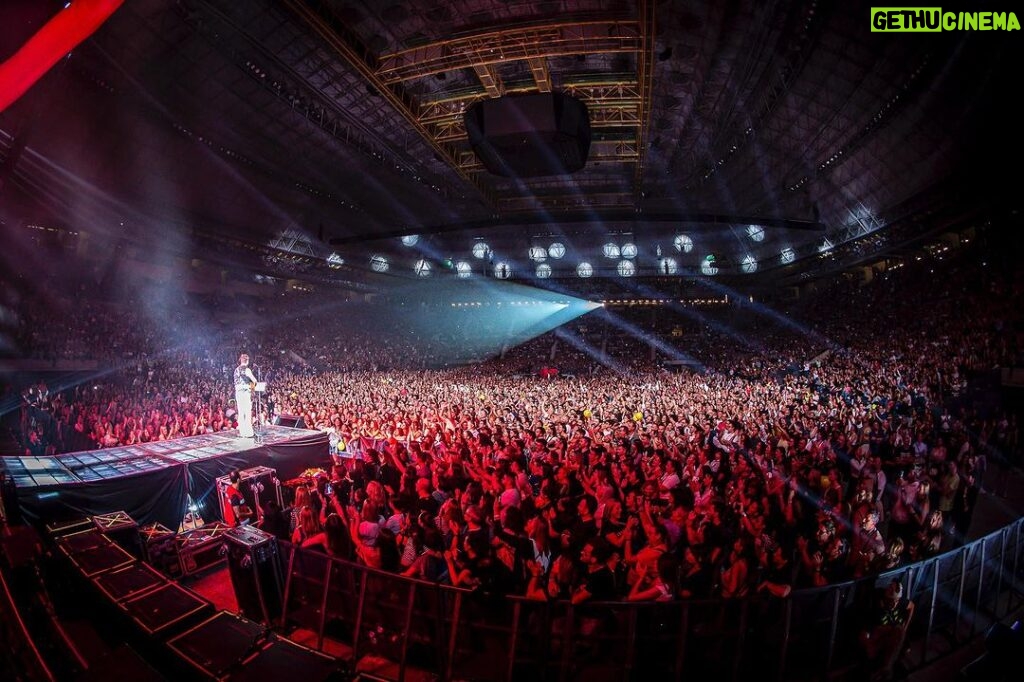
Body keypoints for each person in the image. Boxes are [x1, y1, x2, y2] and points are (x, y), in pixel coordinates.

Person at [233, 353, 257, 438]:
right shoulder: (247, 370)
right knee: (247, 412)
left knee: (241, 412)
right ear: (247, 361)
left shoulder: (236, 370)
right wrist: (253, 390)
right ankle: (249, 433)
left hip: (238, 393)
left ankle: (242, 432)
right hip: (245, 393)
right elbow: (254, 381)